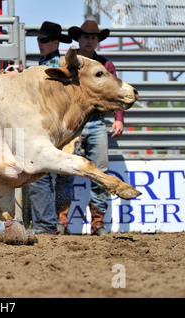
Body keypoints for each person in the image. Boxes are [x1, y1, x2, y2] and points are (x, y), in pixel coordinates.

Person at [56, 20, 125, 236]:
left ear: (97, 41)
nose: (89, 40)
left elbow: (116, 90)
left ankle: (97, 222)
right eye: (86, 37)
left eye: (93, 37)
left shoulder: (106, 65)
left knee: (101, 171)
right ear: (79, 39)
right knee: (65, 171)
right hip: (73, 124)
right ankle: (62, 220)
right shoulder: (70, 64)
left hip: (95, 122)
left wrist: (119, 117)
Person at [22, 21, 72, 235]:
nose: (40, 43)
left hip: (54, 126)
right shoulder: (44, 64)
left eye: (44, 40)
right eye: (39, 40)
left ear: (55, 42)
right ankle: (54, 223)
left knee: (48, 174)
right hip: (54, 127)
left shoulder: (59, 66)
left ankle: (49, 224)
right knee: (57, 174)